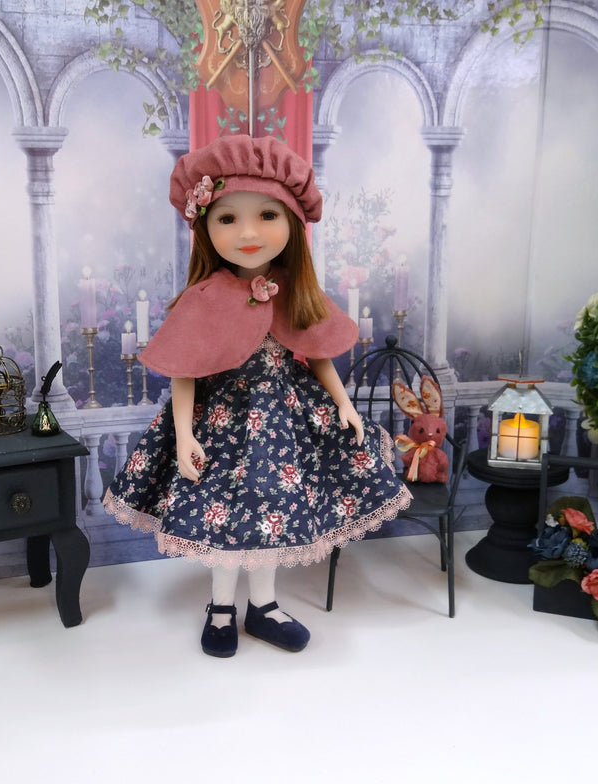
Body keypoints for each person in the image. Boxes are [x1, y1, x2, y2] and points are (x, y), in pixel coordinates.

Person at [104, 134, 411, 657]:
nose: (248, 233)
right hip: (221, 425)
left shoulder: (293, 289)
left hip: (283, 426)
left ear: (292, 222)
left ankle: (264, 607)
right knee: (222, 515)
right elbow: (185, 371)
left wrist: (342, 402)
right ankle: (221, 607)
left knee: (274, 512)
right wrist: (184, 435)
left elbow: (317, 351)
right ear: (205, 227)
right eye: (227, 219)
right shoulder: (203, 298)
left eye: (267, 215)